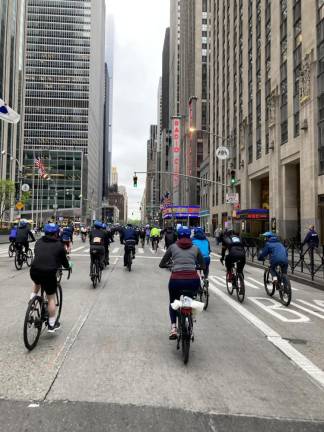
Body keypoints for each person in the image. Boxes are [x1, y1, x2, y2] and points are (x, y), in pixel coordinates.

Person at [159, 227, 205, 339]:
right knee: (190, 300)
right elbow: (203, 265)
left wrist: (168, 265)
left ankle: (174, 328)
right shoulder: (196, 248)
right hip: (193, 280)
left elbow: (162, 264)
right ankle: (190, 325)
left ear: (178, 236)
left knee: (173, 303)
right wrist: (197, 266)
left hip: (176, 280)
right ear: (189, 236)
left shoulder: (172, 247)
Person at [29, 223, 70, 333]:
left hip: (34, 271)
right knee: (51, 297)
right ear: (56, 233)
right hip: (48, 273)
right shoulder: (59, 245)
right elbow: (65, 263)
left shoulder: (39, 242)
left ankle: (32, 301)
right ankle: (52, 324)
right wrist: (68, 266)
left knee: (37, 282)